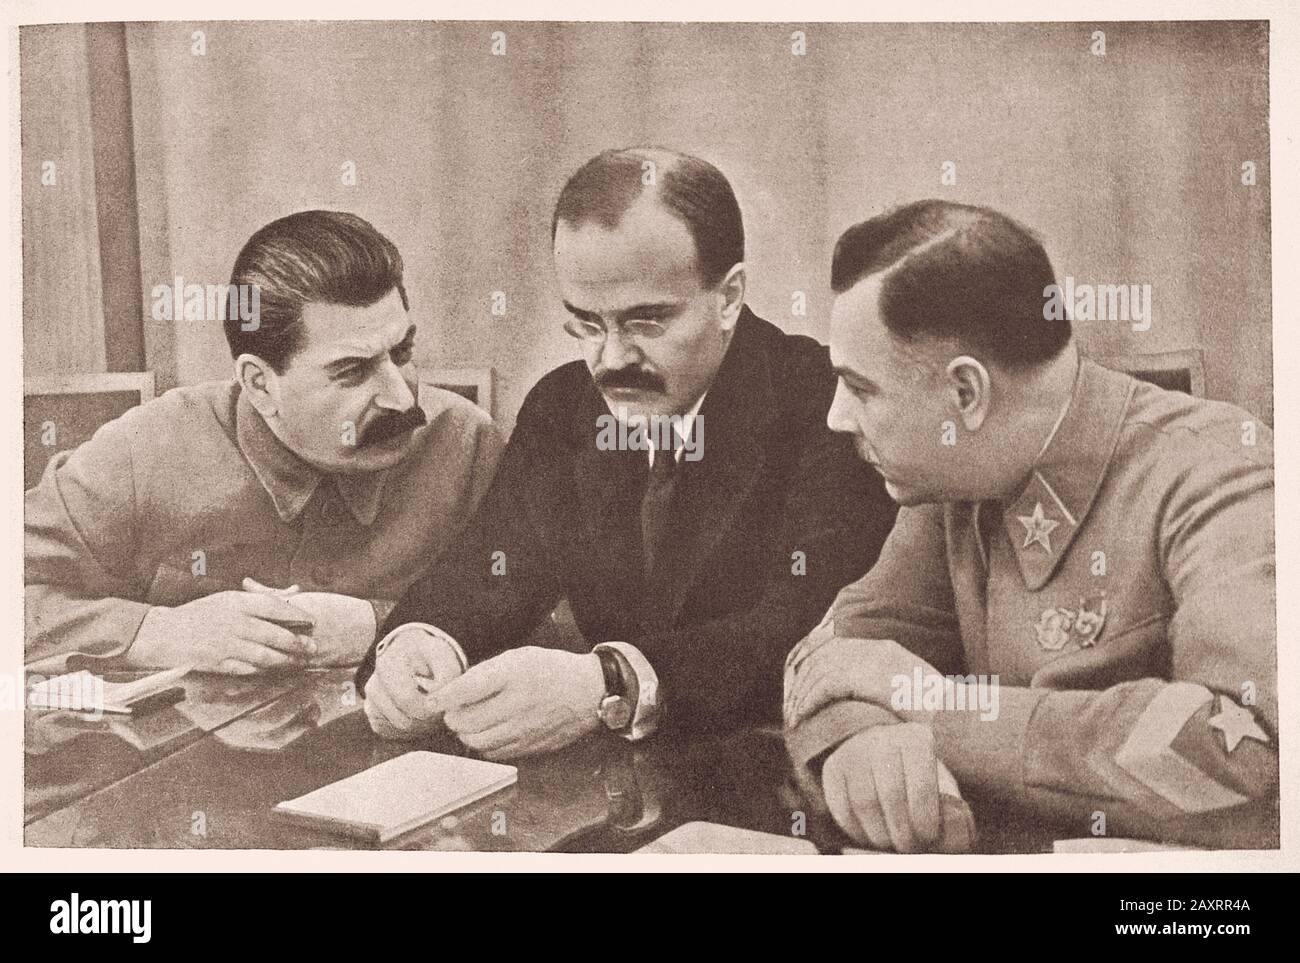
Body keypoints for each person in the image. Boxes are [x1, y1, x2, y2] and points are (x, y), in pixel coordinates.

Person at [358, 148, 896, 759]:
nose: (611, 361)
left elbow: (803, 626)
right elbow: (493, 563)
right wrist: (422, 644)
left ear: (729, 297)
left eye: (647, 322)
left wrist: (610, 681)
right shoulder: (564, 406)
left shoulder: (826, 406)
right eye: (586, 323)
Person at [783, 199, 1278, 852]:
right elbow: (834, 658)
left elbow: (1250, 759)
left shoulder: (1217, 470)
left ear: (967, 394)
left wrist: (938, 708)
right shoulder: (952, 478)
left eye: (861, 387)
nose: (836, 417)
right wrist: (861, 741)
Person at [26, 210, 502, 674]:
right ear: (260, 385)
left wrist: (380, 625)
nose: (402, 397)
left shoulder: (466, 443)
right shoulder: (144, 450)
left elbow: (549, 624)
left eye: (402, 353)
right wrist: (156, 632)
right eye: (352, 371)